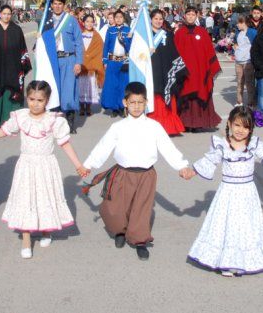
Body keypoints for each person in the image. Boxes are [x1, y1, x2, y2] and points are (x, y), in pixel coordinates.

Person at [79, 82, 191, 261]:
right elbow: (103, 147)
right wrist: (88, 165)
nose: (137, 106)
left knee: (141, 209)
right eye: (132, 102)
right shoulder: (118, 127)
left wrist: (182, 166)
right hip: (123, 173)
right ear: (125, 103)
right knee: (117, 208)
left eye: (140, 102)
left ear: (146, 102)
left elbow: (167, 147)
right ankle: (120, 232)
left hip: (146, 175)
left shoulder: (154, 126)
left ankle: (140, 241)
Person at [182, 106, 263, 277]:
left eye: (246, 127)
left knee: (246, 227)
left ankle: (244, 261)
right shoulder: (222, 144)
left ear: (251, 128)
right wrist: (191, 172)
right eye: (237, 125)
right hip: (227, 193)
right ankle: (226, 262)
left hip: (248, 193)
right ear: (229, 124)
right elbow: (208, 161)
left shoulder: (254, 144)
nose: (241, 130)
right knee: (227, 226)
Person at [0, 81, 84, 259]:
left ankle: (46, 230)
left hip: (46, 166)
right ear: (27, 98)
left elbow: (65, 144)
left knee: (45, 197)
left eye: (40, 100)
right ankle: (26, 239)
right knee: (26, 198)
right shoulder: (21, 117)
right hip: (26, 166)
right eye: (31, 99)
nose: (35, 103)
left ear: (47, 100)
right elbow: (5, 131)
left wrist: (78, 165)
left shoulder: (54, 120)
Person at [41, 0, 84, 133]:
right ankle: (54, 123)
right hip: (52, 60)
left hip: (69, 60)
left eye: (60, 4)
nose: (57, 6)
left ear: (64, 5)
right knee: (53, 90)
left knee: (68, 91)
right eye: (55, 3)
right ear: (51, 5)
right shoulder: (46, 22)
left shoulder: (71, 20)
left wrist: (78, 62)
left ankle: (70, 123)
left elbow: (78, 43)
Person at [174, 6, 222, 132]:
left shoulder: (202, 32)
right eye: (188, 14)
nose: (190, 16)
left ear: (196, 16)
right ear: (184, 16)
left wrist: (209, 70)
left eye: (193, 14)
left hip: (200, 73)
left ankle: (198, 124)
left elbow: (209, 52)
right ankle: (186, 123)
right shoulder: (179, 33)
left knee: (199, 96)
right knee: (186, 96)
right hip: (185, 73)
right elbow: (175, 54)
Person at [148, 8, 187, 135]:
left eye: (160, 19)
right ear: (151, 19)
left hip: (166, 71)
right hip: (151, 71)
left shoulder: (168, 34)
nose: (158, 21)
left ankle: (168, 127)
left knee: (166, 95)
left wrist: (178, 69)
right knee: (154, 96)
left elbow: (174, 53)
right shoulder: (145, 35)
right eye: (156, 19)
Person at [101, 10, 131, 117]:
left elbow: (131, 47)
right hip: (112, 61)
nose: (118, 19)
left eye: (120, 17)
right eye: (116, 17)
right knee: (112, 85)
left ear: (124, 18)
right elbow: (106, 46)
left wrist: (126, 41)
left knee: (123, 85)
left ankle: (122, 106)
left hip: (124, 61)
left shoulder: (128, 30)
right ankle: (114, 108)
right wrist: (105, 60)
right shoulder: (110, 30)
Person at [78, 14, 105, 116]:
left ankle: (88, 107)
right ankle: (81, 106)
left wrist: (94, 61)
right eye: (87, 21)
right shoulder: (79, 34)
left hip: (92, 67)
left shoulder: (97, 36)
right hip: (81, 66)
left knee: (90, 87)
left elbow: (99, 51)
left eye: (91, 21)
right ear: (83, 22)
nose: (89, 24)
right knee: (81, 87)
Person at [233, 17, 257, 108]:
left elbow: (256, 44)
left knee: (249, 82)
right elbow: (236, 42)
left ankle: (250, 102)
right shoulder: (238, 32)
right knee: (239, 82)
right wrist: (235, 47)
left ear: (244, 23)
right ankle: (239, 101)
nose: (237, 25)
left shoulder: (252, 32)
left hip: (248, 61)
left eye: (238, 23)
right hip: (238, 61)